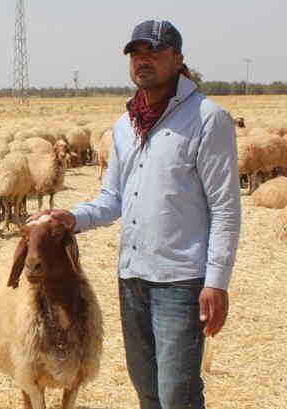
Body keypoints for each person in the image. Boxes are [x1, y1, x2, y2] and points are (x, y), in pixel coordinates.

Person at [35, 20, 242, 409]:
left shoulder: (208, 118)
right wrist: (72, 217)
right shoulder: (125, 125)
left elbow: (225, 207)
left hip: (180, 281)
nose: (143, 61)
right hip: (132, 277)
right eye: (136, 54)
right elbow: (113, 198)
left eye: (155, 52)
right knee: (146, 389)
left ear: (178, 59)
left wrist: (216, 281)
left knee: (177, 394)